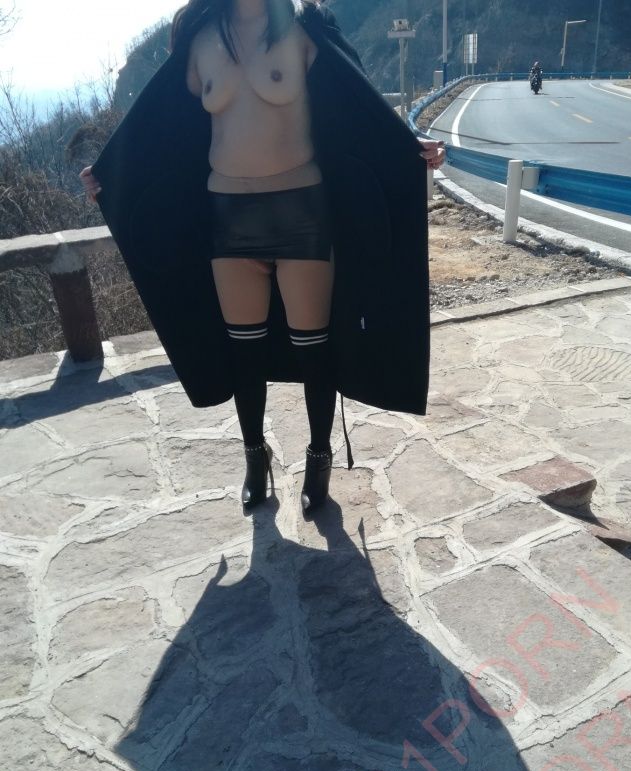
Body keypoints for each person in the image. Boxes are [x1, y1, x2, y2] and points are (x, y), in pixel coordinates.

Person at [80, 0, 444, 514]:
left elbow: (358, 108)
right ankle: (255, 457)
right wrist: (111, 173)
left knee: (314, 347)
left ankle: (319, 457)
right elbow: (161, 127)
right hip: (228, 217)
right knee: (243, 351)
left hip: (302, 212)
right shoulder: (200, 39)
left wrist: (412, 147)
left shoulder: (304, 29)